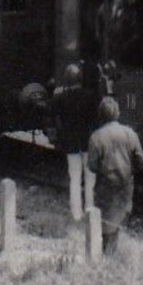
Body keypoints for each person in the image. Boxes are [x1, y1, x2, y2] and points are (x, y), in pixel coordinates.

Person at [84, 97, 143, 252]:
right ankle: (113, 253)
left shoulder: (96, 137)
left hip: (105, 185)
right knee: (119, 220)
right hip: (126, 185)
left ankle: (107, 255)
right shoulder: (130, 133)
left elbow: (91, 165)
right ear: (118, 113)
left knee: (106, 223)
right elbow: (140, 159)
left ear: (100, 115)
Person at [50, 63, 98, 219]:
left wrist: (55, 93)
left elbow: (48, 110)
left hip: (71, 144)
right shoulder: (90, 95)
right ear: (80, 79)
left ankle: (76, 213)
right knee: (90, 178)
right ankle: (90, 209)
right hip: (87, 142)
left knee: (75, 178)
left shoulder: (60, 98)